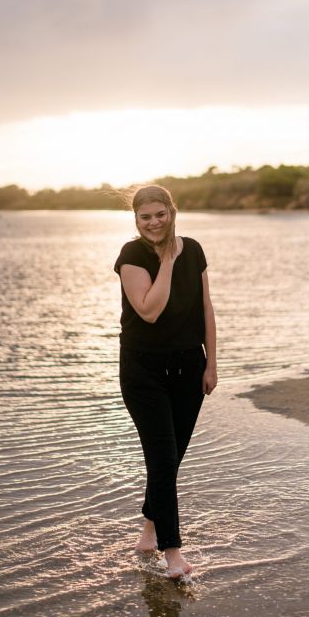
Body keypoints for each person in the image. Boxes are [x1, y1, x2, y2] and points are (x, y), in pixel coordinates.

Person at [113, 184, 217, 580]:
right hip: (144, 371)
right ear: (136, 219)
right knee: (161, 458)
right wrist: (168, 261)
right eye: (145, 217)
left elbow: (206, 307)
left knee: (170, 460)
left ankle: (148, 534)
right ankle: (173, 554)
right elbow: (149, 310)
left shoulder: (195, 249)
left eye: (160, 214)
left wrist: (211, 364)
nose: (154, 222)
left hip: (190, 367)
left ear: (172, 212)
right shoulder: (131, 255)